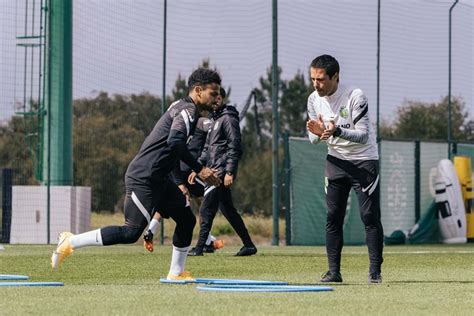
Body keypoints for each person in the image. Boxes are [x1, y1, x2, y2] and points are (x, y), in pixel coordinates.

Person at [51, 68, 222, 281]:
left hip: (160, 178)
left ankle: (176, 274)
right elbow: (175, 142)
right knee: (131, 232)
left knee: (186, 220)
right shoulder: (187, 110)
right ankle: (70, 241)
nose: (218, 98)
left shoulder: (184, 108)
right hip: (144, 177)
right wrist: (200, 169)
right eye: (213, 93)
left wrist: (178, 181)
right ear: (198, 91)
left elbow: (172, 150)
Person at [306, 54, 384, 283]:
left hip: (364, 161)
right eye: (312, 79)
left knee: (369, 216)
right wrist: (320, 133)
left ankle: (374, 272)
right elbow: (313, 137)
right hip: (336, 161)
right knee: (333, 216)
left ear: (335, 76)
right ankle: (333, 272)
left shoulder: (355, 96)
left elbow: (363, 136)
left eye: (320, 79)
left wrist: (336, 131)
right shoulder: (313, 99)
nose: (316, 84)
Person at [187, 87, 257, 257]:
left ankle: (201, 247)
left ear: (222, 99)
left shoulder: (228, 118)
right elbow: (207, 149)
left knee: (206, 210)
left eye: (218, 97)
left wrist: (229, 172)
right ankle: (249, 245)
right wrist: (197, 167)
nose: (215, 100)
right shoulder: (213, 120)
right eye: (213, 97)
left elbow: (235, 146)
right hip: (212, 169)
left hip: (219, 172)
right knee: (229, 211)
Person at [142, 116, 224, 253]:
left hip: (177, 170)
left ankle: (150, 231)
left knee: (172, 204)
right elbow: (210, 126)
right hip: (188, 171)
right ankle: (206, 241)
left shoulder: (181, 129)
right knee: (209, 197)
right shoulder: (200, 121)